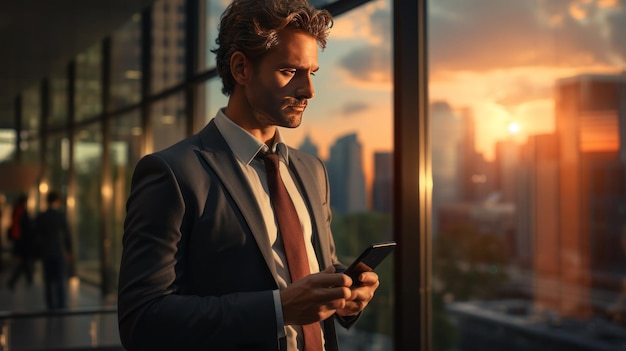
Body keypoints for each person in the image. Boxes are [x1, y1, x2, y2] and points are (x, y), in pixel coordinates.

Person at [117, 0, 381, 350]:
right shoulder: (174, 173)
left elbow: (313, 266)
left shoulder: (311, 170)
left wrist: (346, 294)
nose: (308, 90)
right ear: (241, 68)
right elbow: (142, 320)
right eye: (290, 71)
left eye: (312, 73)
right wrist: (280, 308)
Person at [35, 190, 73, 310]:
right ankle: (61, 305)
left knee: (48, 281)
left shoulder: (42, 216)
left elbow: (36, 236)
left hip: (46, 252)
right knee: (60, 280)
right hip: (58, 251)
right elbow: (67, 234)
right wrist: (69, 250)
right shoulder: (60, 216)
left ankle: (50, 305)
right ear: (57, 201)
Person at [7, 193, 35, 290]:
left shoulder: (17, 210)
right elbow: (25, 227)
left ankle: (28, 279)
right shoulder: (21, 211)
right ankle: (17, 280)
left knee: (25, 261)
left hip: (19, 240)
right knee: (25, 261)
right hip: (22, 241)